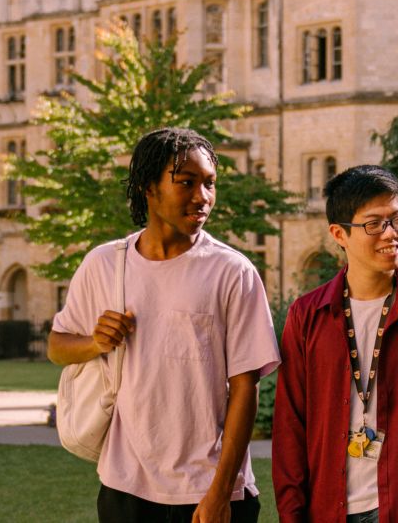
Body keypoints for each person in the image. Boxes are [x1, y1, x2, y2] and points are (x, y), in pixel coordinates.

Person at [47, 127, 280, 523]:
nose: (202, 196)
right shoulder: (103, 265)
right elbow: (56, 346)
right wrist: (95, 341)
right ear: (146, 188)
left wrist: (221, 493)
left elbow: (245, 386)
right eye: (186, 182)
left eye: (210, 183)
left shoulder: (232, 271)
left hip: (209, 490)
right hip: (125, 487)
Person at [273, 165, 398, 523]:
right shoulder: (307, 316)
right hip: (328, 509)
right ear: (339, 234)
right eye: (374, 224)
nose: (391, 233)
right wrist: (291, 514)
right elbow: (290, 424)